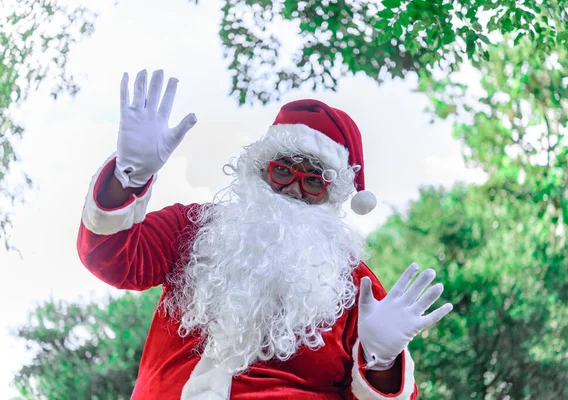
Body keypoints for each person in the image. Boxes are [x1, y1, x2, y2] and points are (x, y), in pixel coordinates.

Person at [77, 69, 453, 400]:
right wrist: (129, 177)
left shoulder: (354, 285)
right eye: (284, 170)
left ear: (331, 195)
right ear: (261, 170)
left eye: (313, 181)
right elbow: (110, 257)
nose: (294, 189)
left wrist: (381, 361)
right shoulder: (192, 229)